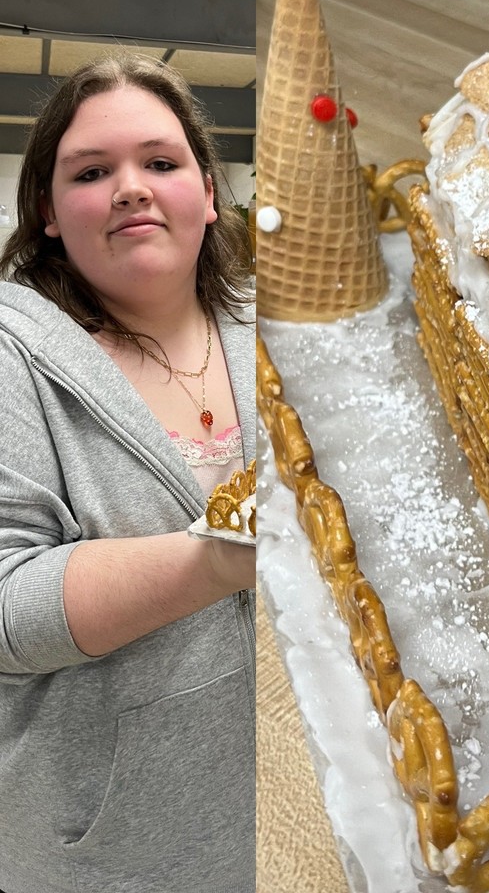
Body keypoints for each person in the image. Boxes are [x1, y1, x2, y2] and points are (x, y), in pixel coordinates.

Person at [0, 53, 256, 893]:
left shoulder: (268, 325)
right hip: (117, 852)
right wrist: (213, 561)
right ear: (45, 210)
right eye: (91, 171)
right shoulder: (15, 360)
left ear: (208, 192)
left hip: (297, 795)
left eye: (159, 162)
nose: (131, 188)